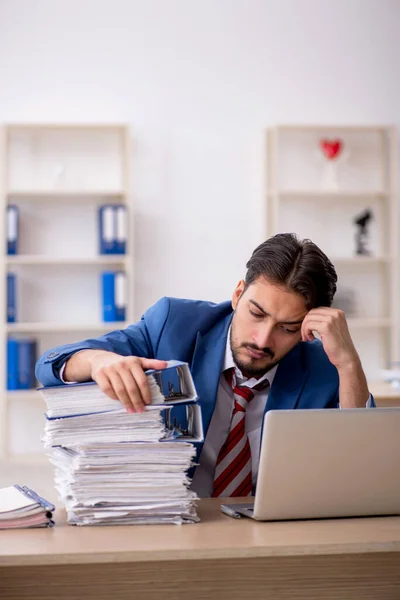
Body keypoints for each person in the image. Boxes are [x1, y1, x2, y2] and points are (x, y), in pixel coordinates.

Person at [36, 233, 374, 497]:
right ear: (238, 294)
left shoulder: (326, 363)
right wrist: (98, 361)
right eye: (256, 314)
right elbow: (50, 366)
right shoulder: (174, 324)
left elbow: (361, 463)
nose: (262, 339)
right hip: (165, 522)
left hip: (270, 535)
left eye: (287, 328)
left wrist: (348, 363)